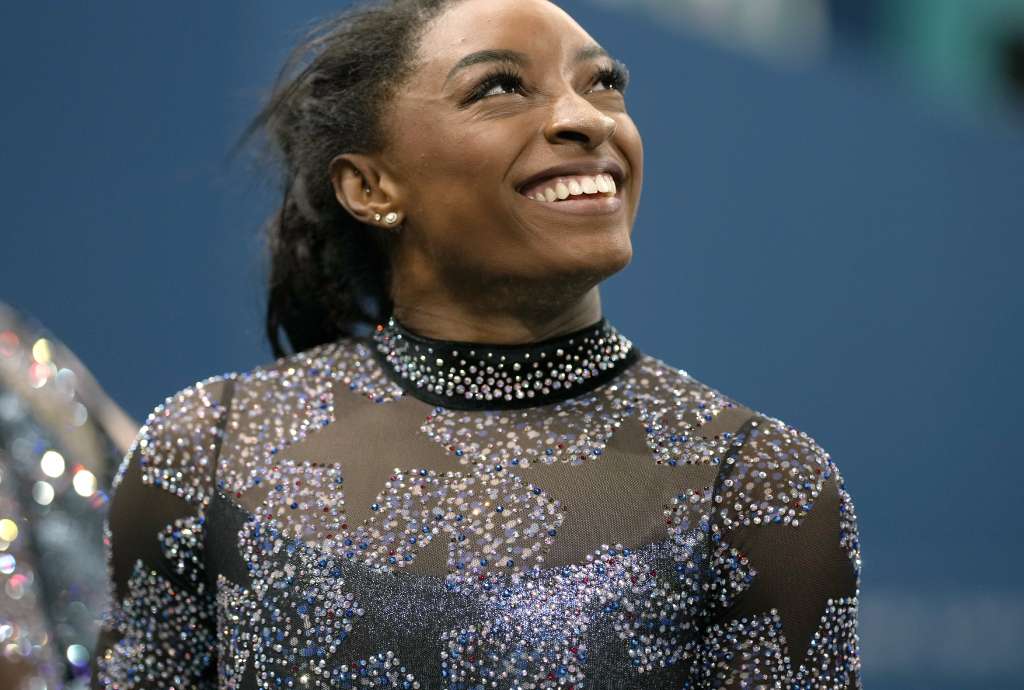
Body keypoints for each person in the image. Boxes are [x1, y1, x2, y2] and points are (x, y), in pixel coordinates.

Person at [90, 0, 863, 687]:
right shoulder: (209, 449)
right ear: (370, 187)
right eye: (500, 88)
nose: (588, 119)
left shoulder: (758, 484)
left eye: (603, 84)